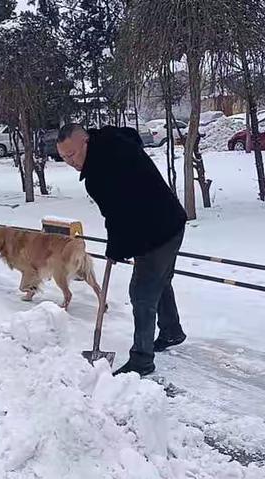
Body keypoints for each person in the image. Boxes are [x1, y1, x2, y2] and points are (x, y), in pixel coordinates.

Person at [56, 123, 188, 377]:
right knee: (158, 282)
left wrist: (115, 249)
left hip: (158, 231)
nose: (70, 162)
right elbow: (123, 211)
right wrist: (118, 246)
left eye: (72, 155)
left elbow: (118, 214)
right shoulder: (112, 143)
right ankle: (171, 331)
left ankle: (141, 360)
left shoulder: (102, 170)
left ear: (85, 142)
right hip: (168, 220)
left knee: (141, 292)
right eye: (63, 158)